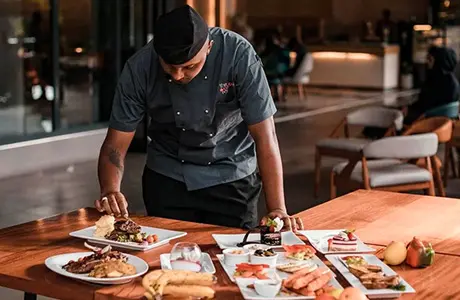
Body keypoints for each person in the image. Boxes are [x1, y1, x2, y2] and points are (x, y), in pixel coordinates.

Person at [94, 5, 302, 231]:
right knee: (164, 259)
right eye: (170, 67)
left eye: (189, 66)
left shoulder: (238, 55)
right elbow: (116, 143)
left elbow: (265, 136)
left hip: (232, 177)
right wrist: (110, 190)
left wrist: (278, 208)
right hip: (168, 178)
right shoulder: (139, 68)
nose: (178, 75)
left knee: (233, 258)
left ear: (209, 47)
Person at [403, 46, 460, 125]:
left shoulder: (438, 82)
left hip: (428, 121)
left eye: (430, 59)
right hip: (443, 124)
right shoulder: (453, 82)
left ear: (439, 61)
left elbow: (425, 105)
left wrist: (409, 108)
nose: (427, 62)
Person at [259, 31, 290, 102]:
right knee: (281, 75)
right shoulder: (280, 51)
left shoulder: (264, 53)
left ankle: (268, 96)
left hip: (267, 74)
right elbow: (286, 63)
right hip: (278, 74)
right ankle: (281, 95)